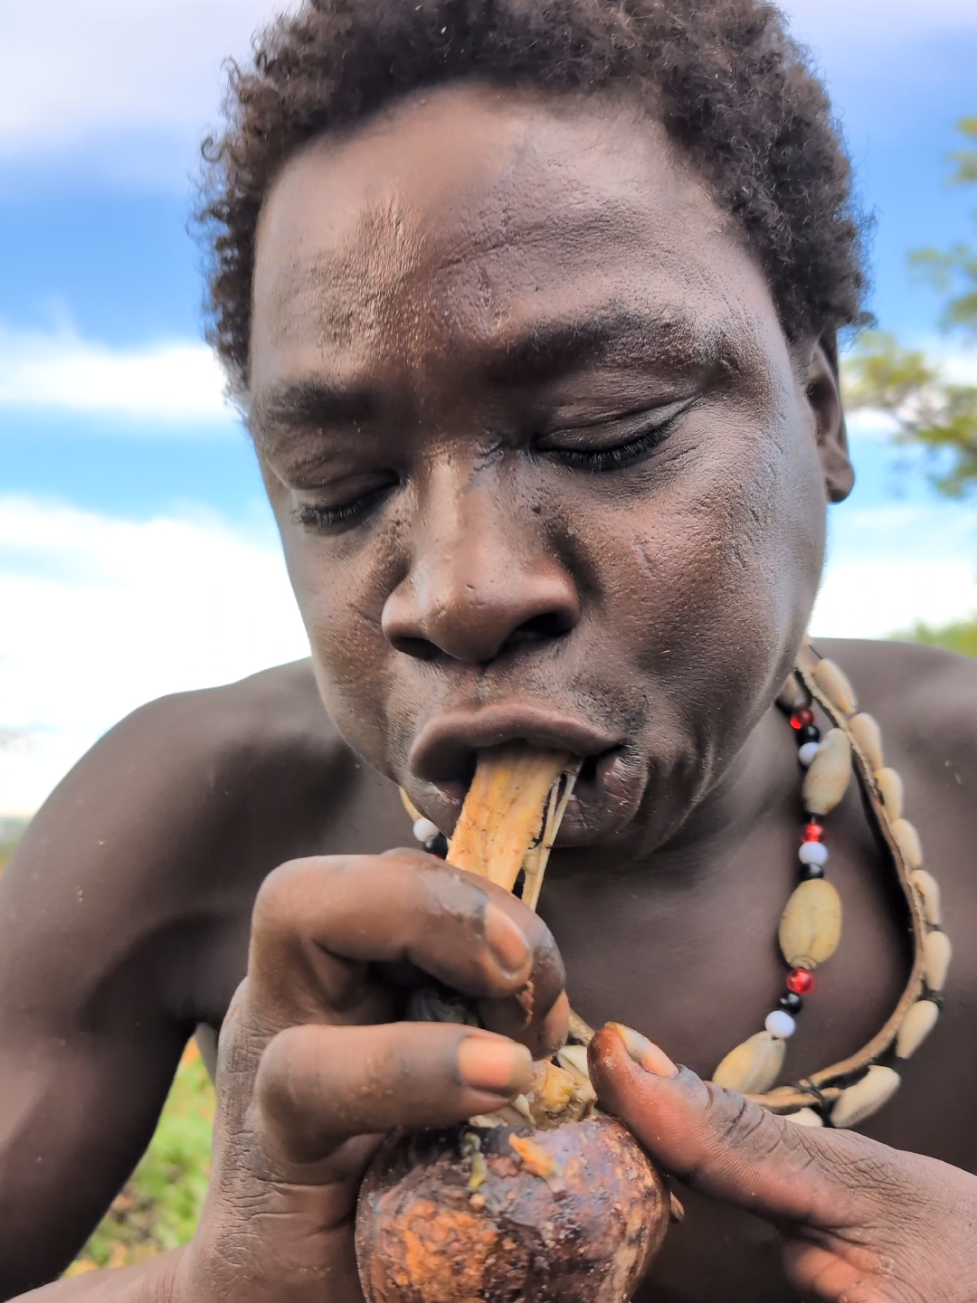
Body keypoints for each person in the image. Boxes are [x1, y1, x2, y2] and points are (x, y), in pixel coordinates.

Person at [2, 0, 977, 1299]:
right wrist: (209, 1285)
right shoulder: (196, 806)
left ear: (818, 410)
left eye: (607, 430)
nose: (458, 592)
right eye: (342, 491)